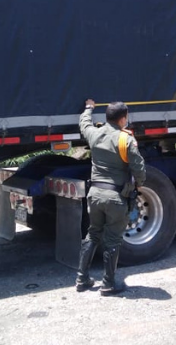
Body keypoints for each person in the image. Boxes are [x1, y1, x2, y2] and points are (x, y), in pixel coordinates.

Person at [76, 99, 146, 295]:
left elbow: (84, 124)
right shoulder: (126, 139)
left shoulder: (95, 134)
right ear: (123, 119)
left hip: (95, 194)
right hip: (115, 196)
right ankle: (108, 283)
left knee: (93, 233)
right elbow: (139, 168)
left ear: (107, 117)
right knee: (113, 239)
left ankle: (82, 279)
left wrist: (88, 108)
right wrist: (139, 183)